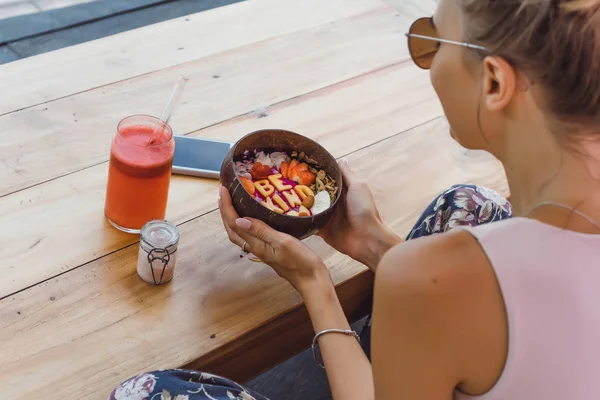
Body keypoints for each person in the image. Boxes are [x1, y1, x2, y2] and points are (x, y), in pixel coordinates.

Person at [110, 0, 600, 398]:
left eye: (431, 40)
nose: (425, 61)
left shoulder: (437, 278)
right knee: (471, 202)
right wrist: (372, 245)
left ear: (494, 82)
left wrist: (314, 281)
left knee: (143, 392)